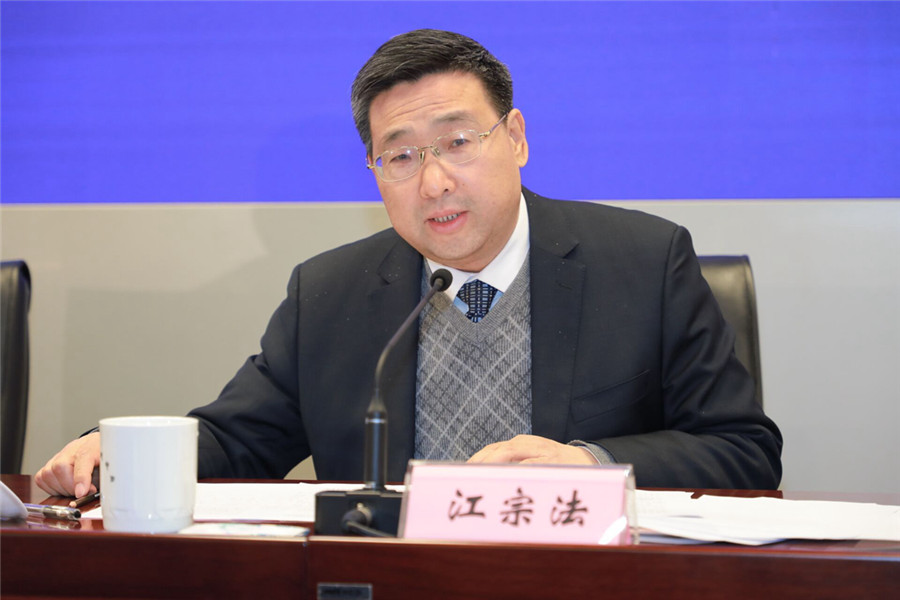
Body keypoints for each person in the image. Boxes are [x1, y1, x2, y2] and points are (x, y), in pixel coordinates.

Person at [36, 29, 782, 500]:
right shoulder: (330, 293)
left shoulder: (644, 263)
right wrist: (118, 451)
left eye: (458, 142)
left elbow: (743, 451)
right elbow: (238, 441)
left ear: (516, 137)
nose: (434, 182)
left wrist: (590, 463)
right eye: (400, 156)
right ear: (374, 171)